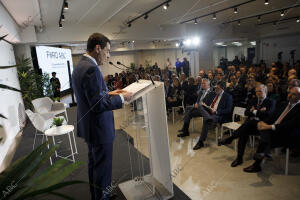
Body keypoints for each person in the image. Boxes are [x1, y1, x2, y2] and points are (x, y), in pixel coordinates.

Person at [72, 33, 133, 200]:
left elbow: (91, 97)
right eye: (107, 51)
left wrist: (111, 93)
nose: (109, 55)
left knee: (95, 167)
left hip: (90, 127)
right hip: (99, 129)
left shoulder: (80, 65)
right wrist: (121, 98)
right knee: (103, 169)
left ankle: (98, 196)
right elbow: (98, 105)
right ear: (97, 48)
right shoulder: (91, 69)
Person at [244, 87, 300, 173]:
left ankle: (259, 160)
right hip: (274, 129)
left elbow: (289, 125)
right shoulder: (283, 104)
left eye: (294, 94)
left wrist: (269, 127)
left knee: (265, 133)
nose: (290, 95)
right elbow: (272, 117)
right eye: (289, 93)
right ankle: (264, 153)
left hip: (287, 134)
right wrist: (263, 123)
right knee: (257, 126)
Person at [220, 84, 275, 167]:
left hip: (262, 127)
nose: (258, 93)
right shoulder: (253, 100)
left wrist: (254, 111)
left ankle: (231, 138)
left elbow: (268, 115)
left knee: (249, 123)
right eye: (256, 91)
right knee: (244, 132)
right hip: (250, 126)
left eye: (260, 91)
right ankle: (239, 158)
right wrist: (260, 111)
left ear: (265, 91)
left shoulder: (271, 101)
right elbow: (246, 112)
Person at [193, 81, 233, 150]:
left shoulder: (228, 96)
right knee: (199, 105)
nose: (216, 90)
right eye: (215, 88)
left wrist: (216, 111)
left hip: (218, 114)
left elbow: (229, 110)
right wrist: (204, 104)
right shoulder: (213, 94)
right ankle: (208, 118)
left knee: (206, 120)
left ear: (222, 88)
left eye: (218, 88)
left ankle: (201, 141)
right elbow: (206, 102)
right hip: (209, 111)